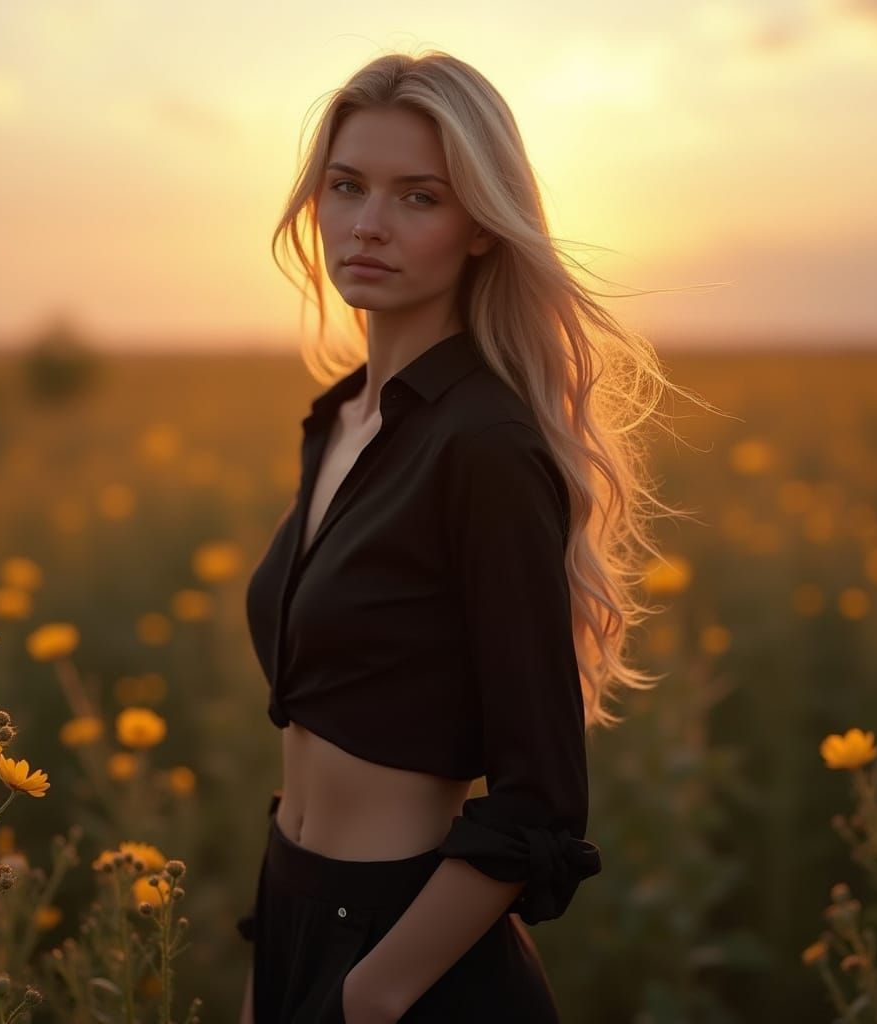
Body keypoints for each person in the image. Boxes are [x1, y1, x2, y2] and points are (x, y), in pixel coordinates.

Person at [236, 49, 703, 1024]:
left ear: (481, 228)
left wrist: (373, 992)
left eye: (418, 197)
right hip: (289, 916)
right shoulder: (336, 422)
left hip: (412, 962)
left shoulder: (483, 444)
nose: (367, 223)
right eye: (346, 186)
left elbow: (539, 800)